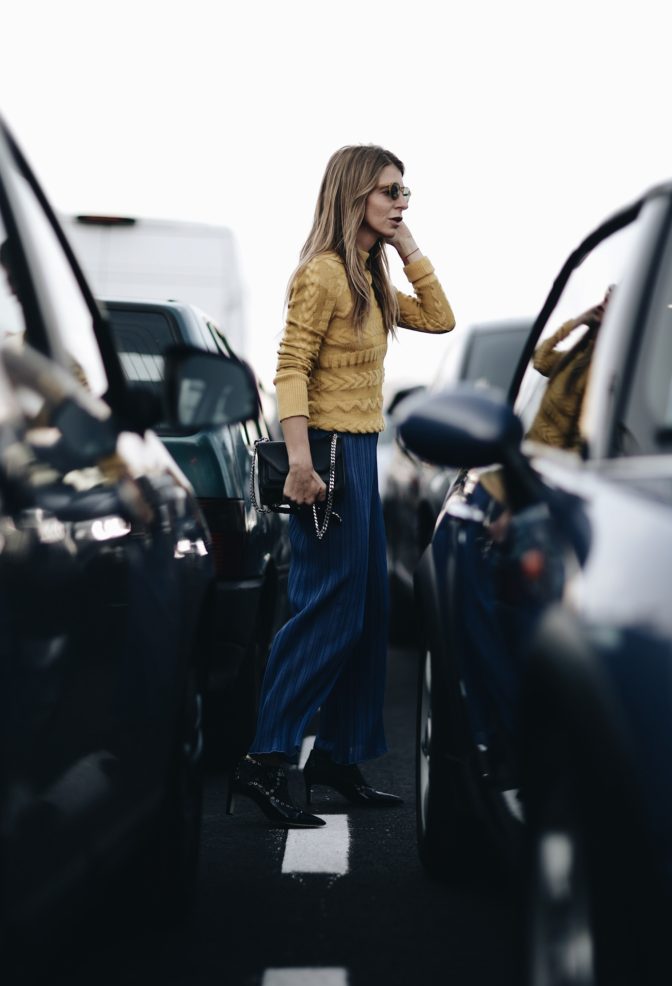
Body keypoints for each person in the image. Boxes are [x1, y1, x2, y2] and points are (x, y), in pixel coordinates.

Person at [227, 145, 455, 827]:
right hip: (324, 453)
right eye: (389, 192)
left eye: (404, 191)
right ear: (356, 194)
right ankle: (262, 762)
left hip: (361, 449)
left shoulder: (370, 277)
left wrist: (407, 243)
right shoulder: (322, 275)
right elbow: (289, 370)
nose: (400, 201)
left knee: (371, 613)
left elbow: (440, 317)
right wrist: (300, 463)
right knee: (326, 611)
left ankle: (337, 755)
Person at [525, 285, 614, 453]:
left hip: (549, 464)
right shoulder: (575, 358)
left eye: (609, 302)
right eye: (603, 299)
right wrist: (578, 321)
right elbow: (540, 360)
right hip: (530, 455)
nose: (601, 305)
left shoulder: (598, 372)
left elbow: (583, 440)